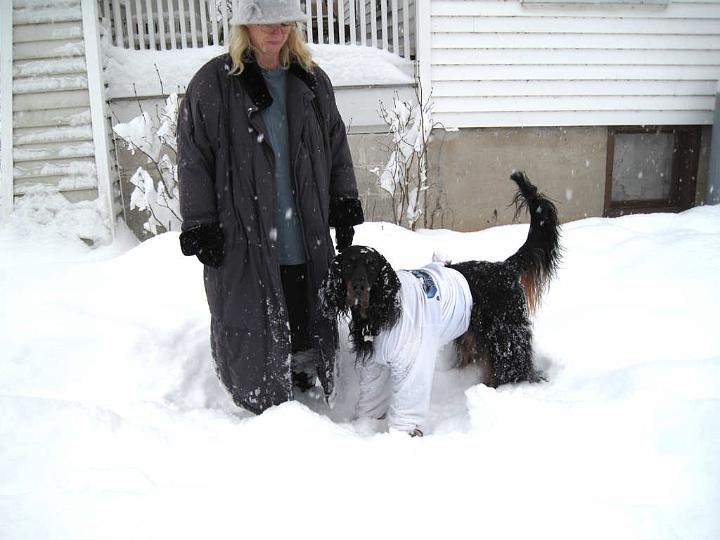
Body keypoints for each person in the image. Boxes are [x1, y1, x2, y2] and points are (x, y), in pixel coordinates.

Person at [177, 0, 363, 414]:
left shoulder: (312, 81)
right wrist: (201, 222)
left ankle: (303, 373)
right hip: (244, 229)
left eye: (283, 22)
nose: (275, 31)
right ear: (245, 24)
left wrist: (344, 199)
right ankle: (258, 391)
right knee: (251, 306)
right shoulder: (214, 84)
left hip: (303, 226)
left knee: (303, 298)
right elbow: (194, 157)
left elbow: (336, 143)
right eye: (264, 22)